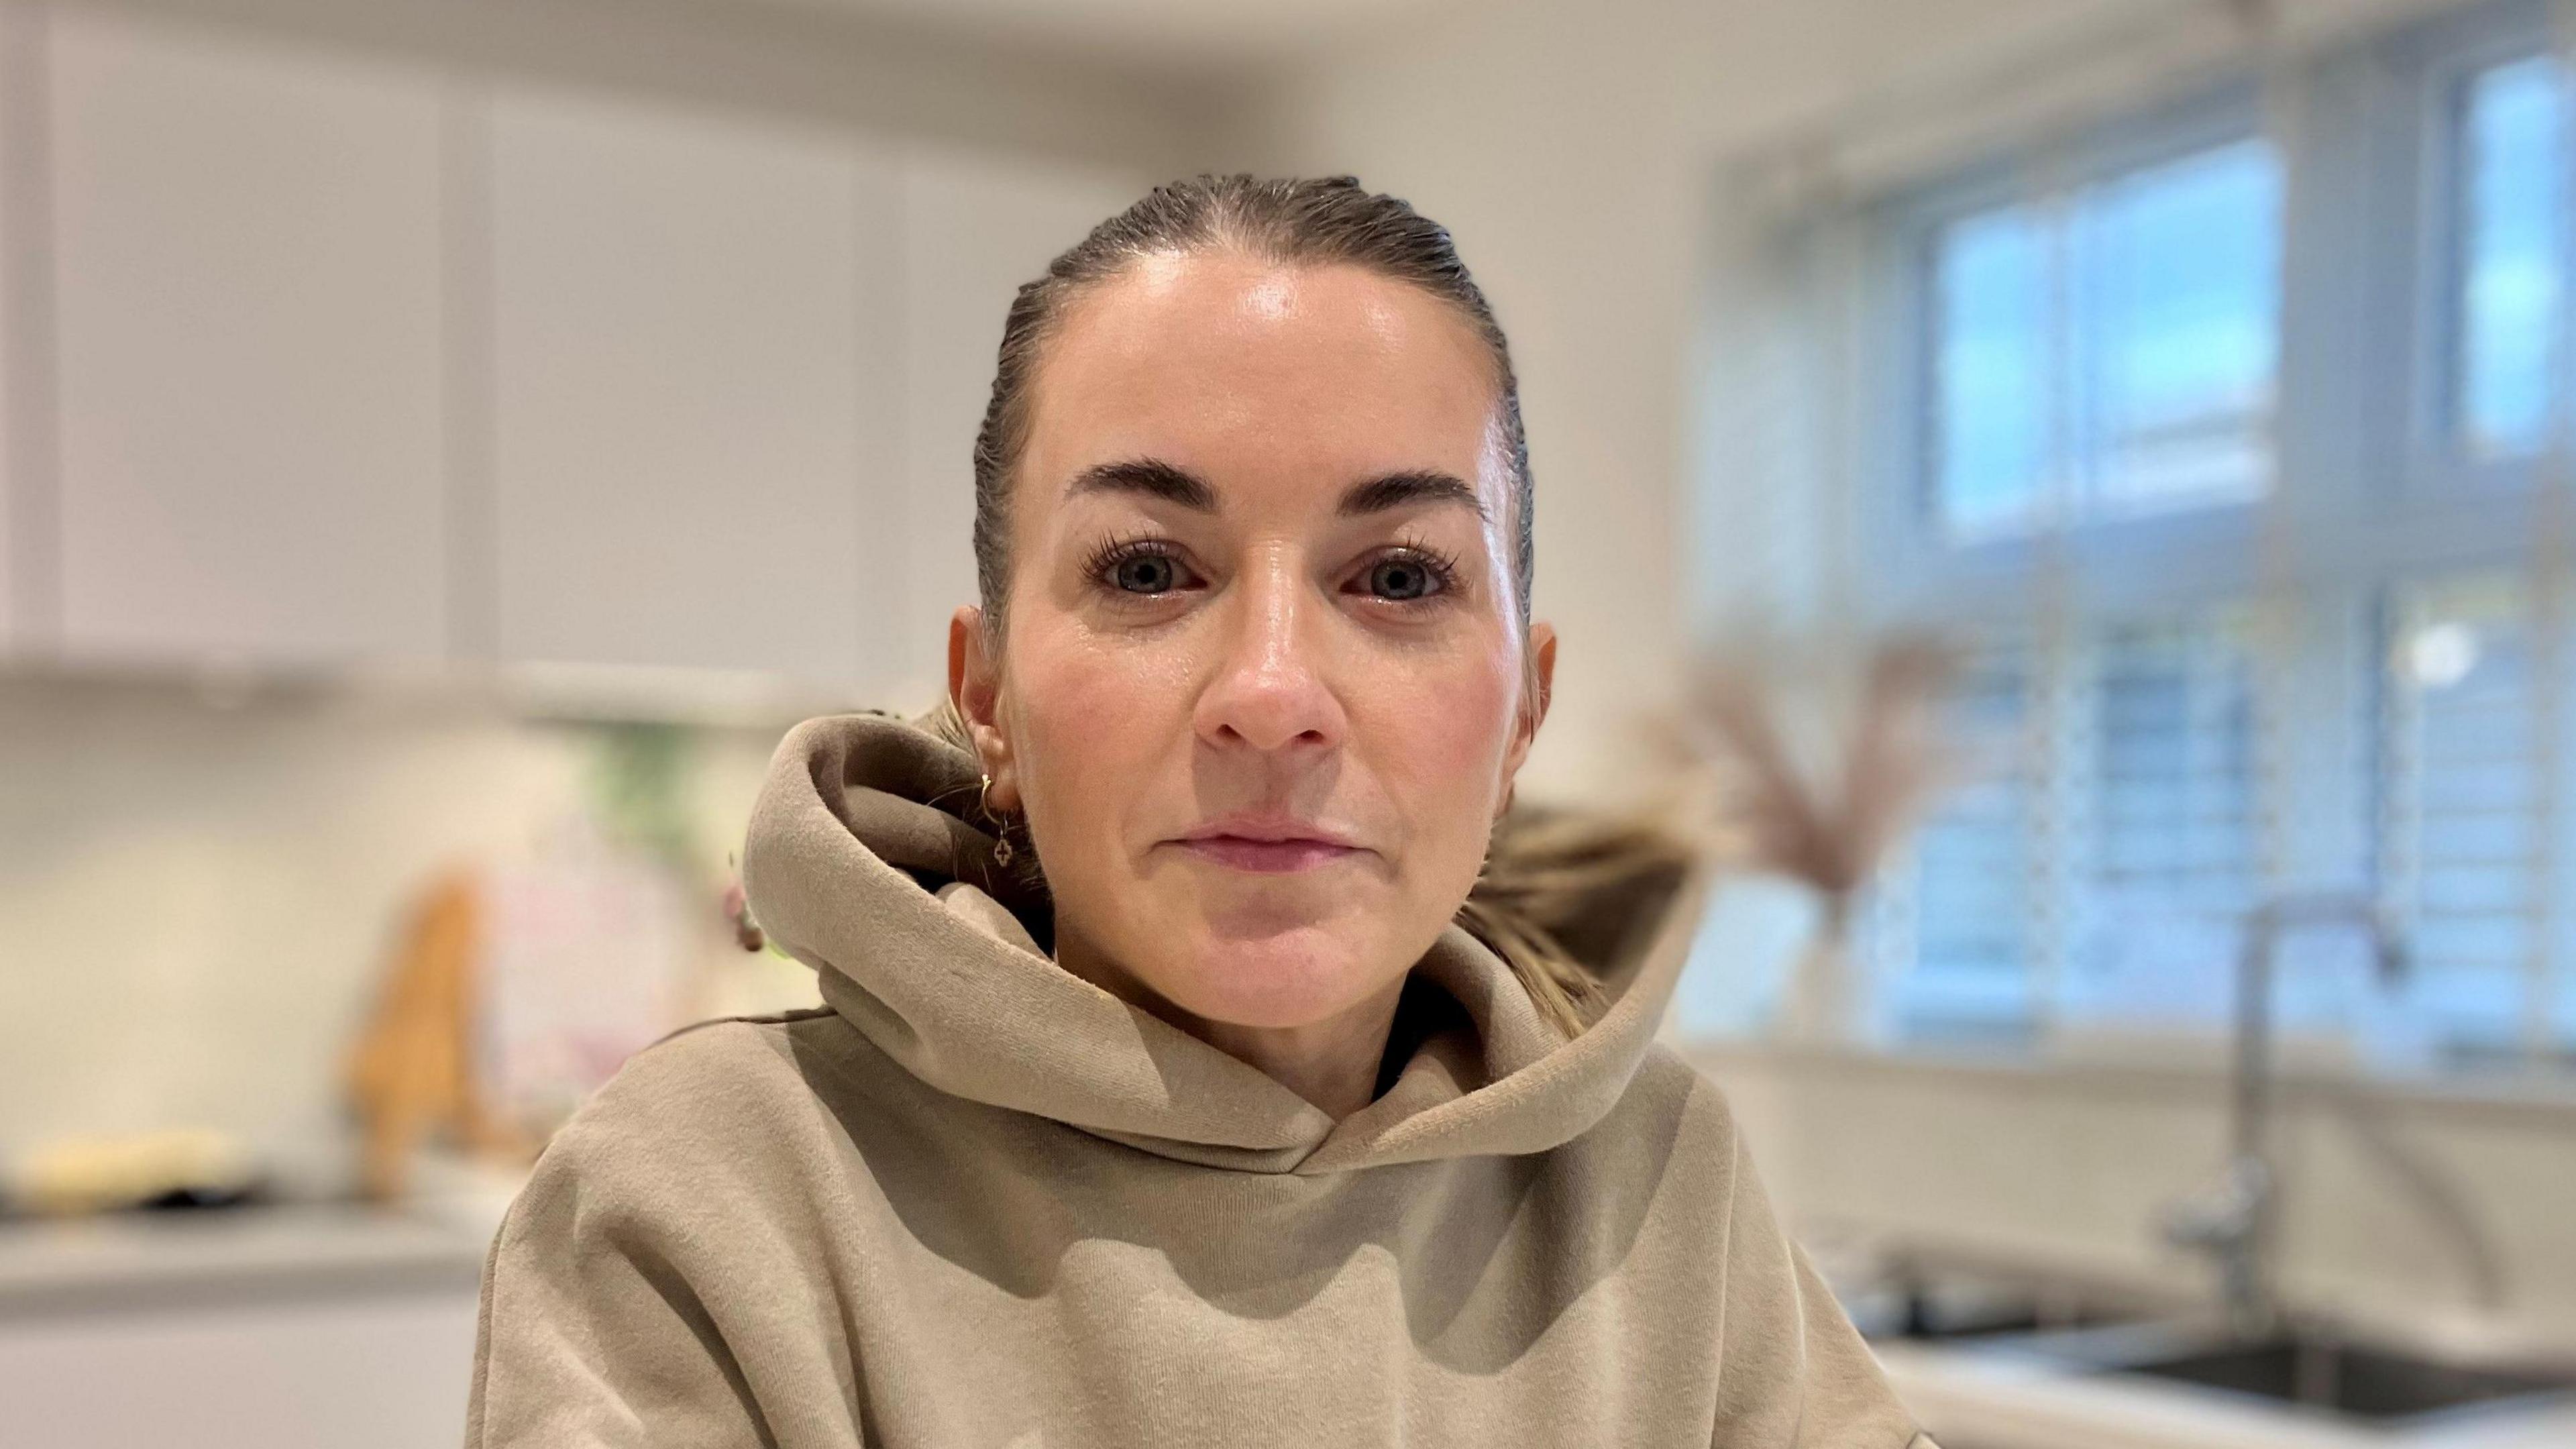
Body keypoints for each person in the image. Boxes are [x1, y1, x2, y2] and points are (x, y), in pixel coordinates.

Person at [463, 174, 1932, 1448]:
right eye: (1150, 570)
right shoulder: (712, 1195)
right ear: (988, 696)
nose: (1274, 692)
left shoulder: (1657, 1180)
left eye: (1403, 575)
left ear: (1524, 713)